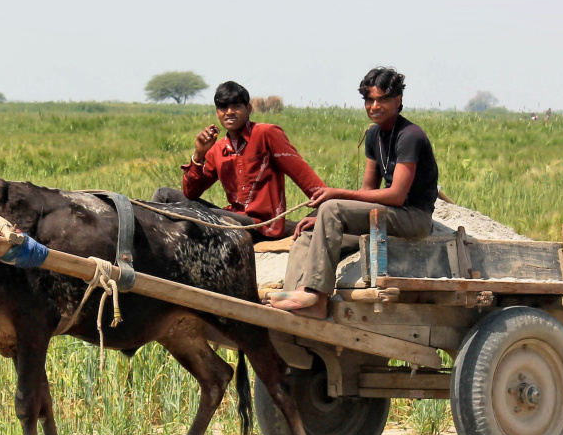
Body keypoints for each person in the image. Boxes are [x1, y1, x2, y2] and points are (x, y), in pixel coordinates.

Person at [267, 67, 438, 318]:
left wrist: (336, 194)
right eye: (370, 100)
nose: (375, 106)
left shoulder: (410, 135)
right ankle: (295, 296)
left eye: (383, 99)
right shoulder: (374, 135)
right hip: (388, 214)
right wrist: (322, 222)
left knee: (331, 207)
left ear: (398, 100)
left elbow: (396, 196)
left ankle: (316, 298)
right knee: (307, 234)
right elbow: (368, 190)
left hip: (413, 216)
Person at [153, 80, 326, 239]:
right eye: (223, 107)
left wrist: (328, 210)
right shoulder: (217, 149)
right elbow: (191, 194)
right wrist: (199, 155)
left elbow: (305, 178)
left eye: (236, 106)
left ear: (248, 109)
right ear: (217, 112)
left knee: (202, 215)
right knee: (164, 195)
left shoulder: (266, 134)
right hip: (233, 218)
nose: (229, 112)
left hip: (262, 225)